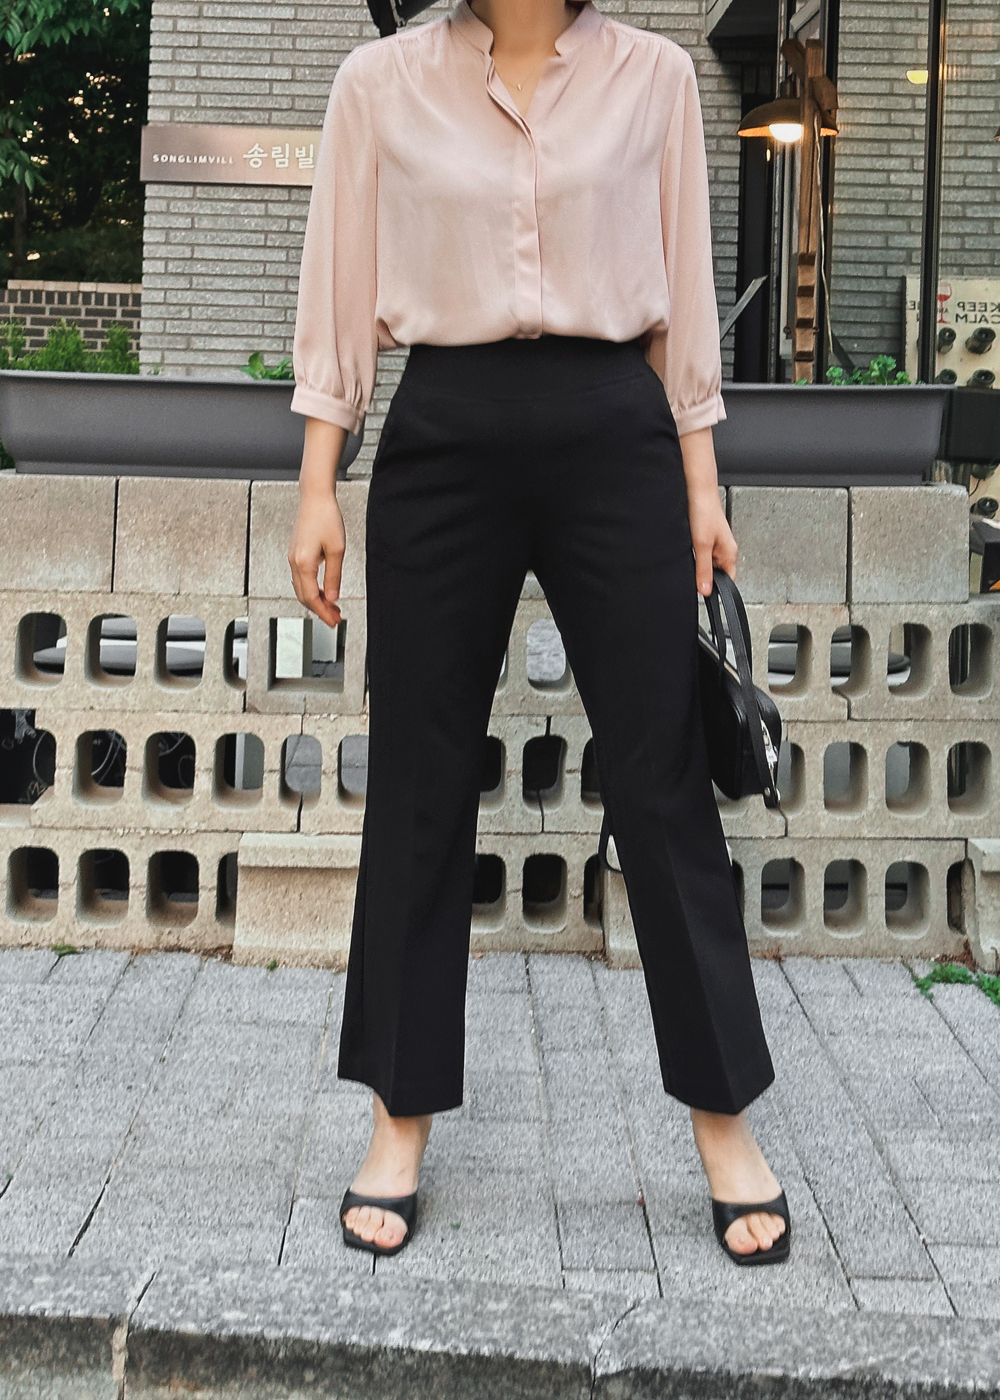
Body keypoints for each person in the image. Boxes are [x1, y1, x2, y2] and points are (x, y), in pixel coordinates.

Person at [287, 0, 791, 1268]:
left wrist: (702, 484)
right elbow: (339, 287)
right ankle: (398, 1116)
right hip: (442, 433)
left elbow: (681, 294)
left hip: (614, 427)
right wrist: (316, 483)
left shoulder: (654, 77)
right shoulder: (379, 83)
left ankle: (723, 1119)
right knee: (418, 775)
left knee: (661, 768)